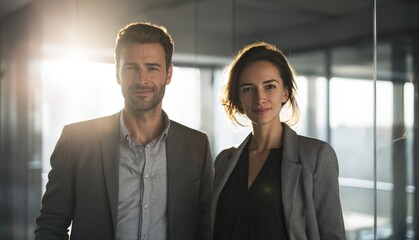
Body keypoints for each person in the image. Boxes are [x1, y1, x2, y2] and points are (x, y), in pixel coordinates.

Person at [35, 22, 214, 240]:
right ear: (118, 74)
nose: (141, 79)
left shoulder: (196, 145)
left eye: (152, 67)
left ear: (168, 74)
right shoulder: (77, 141)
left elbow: (206, 227)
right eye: (131, 68)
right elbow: (51, 224)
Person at [212, 42, 346, 240]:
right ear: (239, 98)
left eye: (270, 87)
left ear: (285, 92)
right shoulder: (224, 160)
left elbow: (332, 234)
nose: (260, 98)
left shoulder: (316, 156)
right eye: (249, 89)